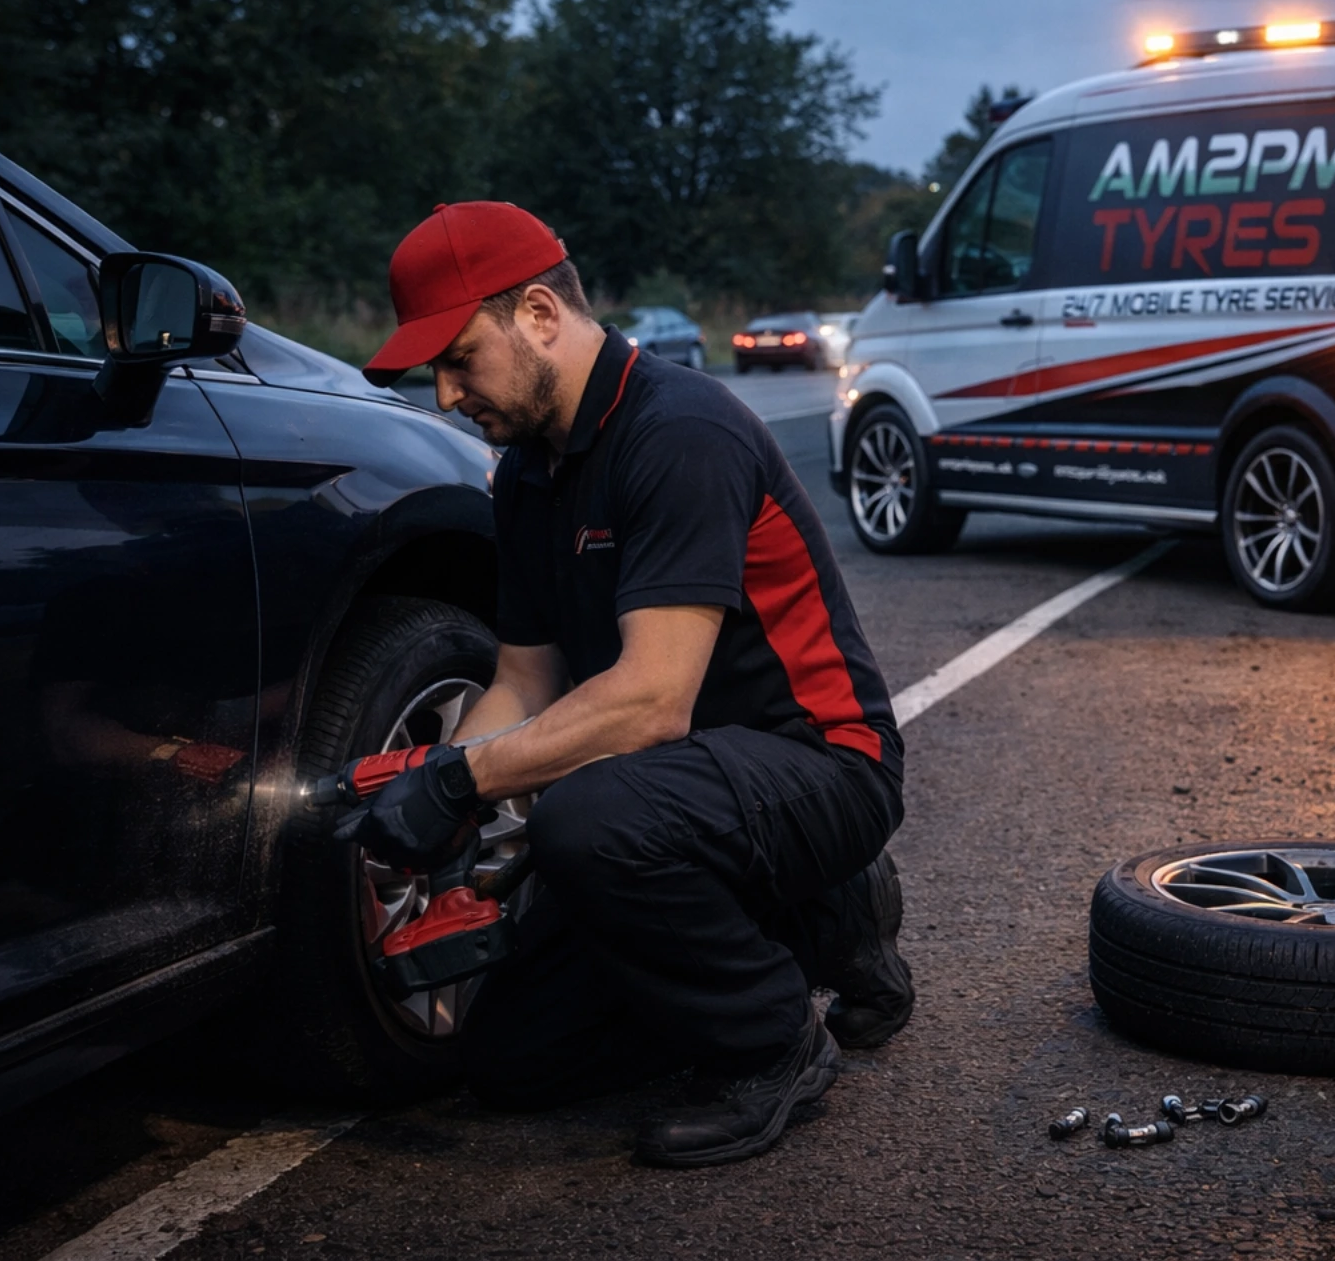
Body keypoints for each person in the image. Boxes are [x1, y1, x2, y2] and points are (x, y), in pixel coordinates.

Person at [346, 201, 912, 1168]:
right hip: (681, 792)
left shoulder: (681, 432)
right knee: (514, 1062)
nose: (442, 396)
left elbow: (653, 702)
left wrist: (466, 783)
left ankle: (775, 1041)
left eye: (457, 360)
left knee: (587, 821)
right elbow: (523, 683)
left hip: (819, 764)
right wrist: (438, 782)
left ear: (535, 313)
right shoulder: (527, 476)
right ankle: (809, 924)